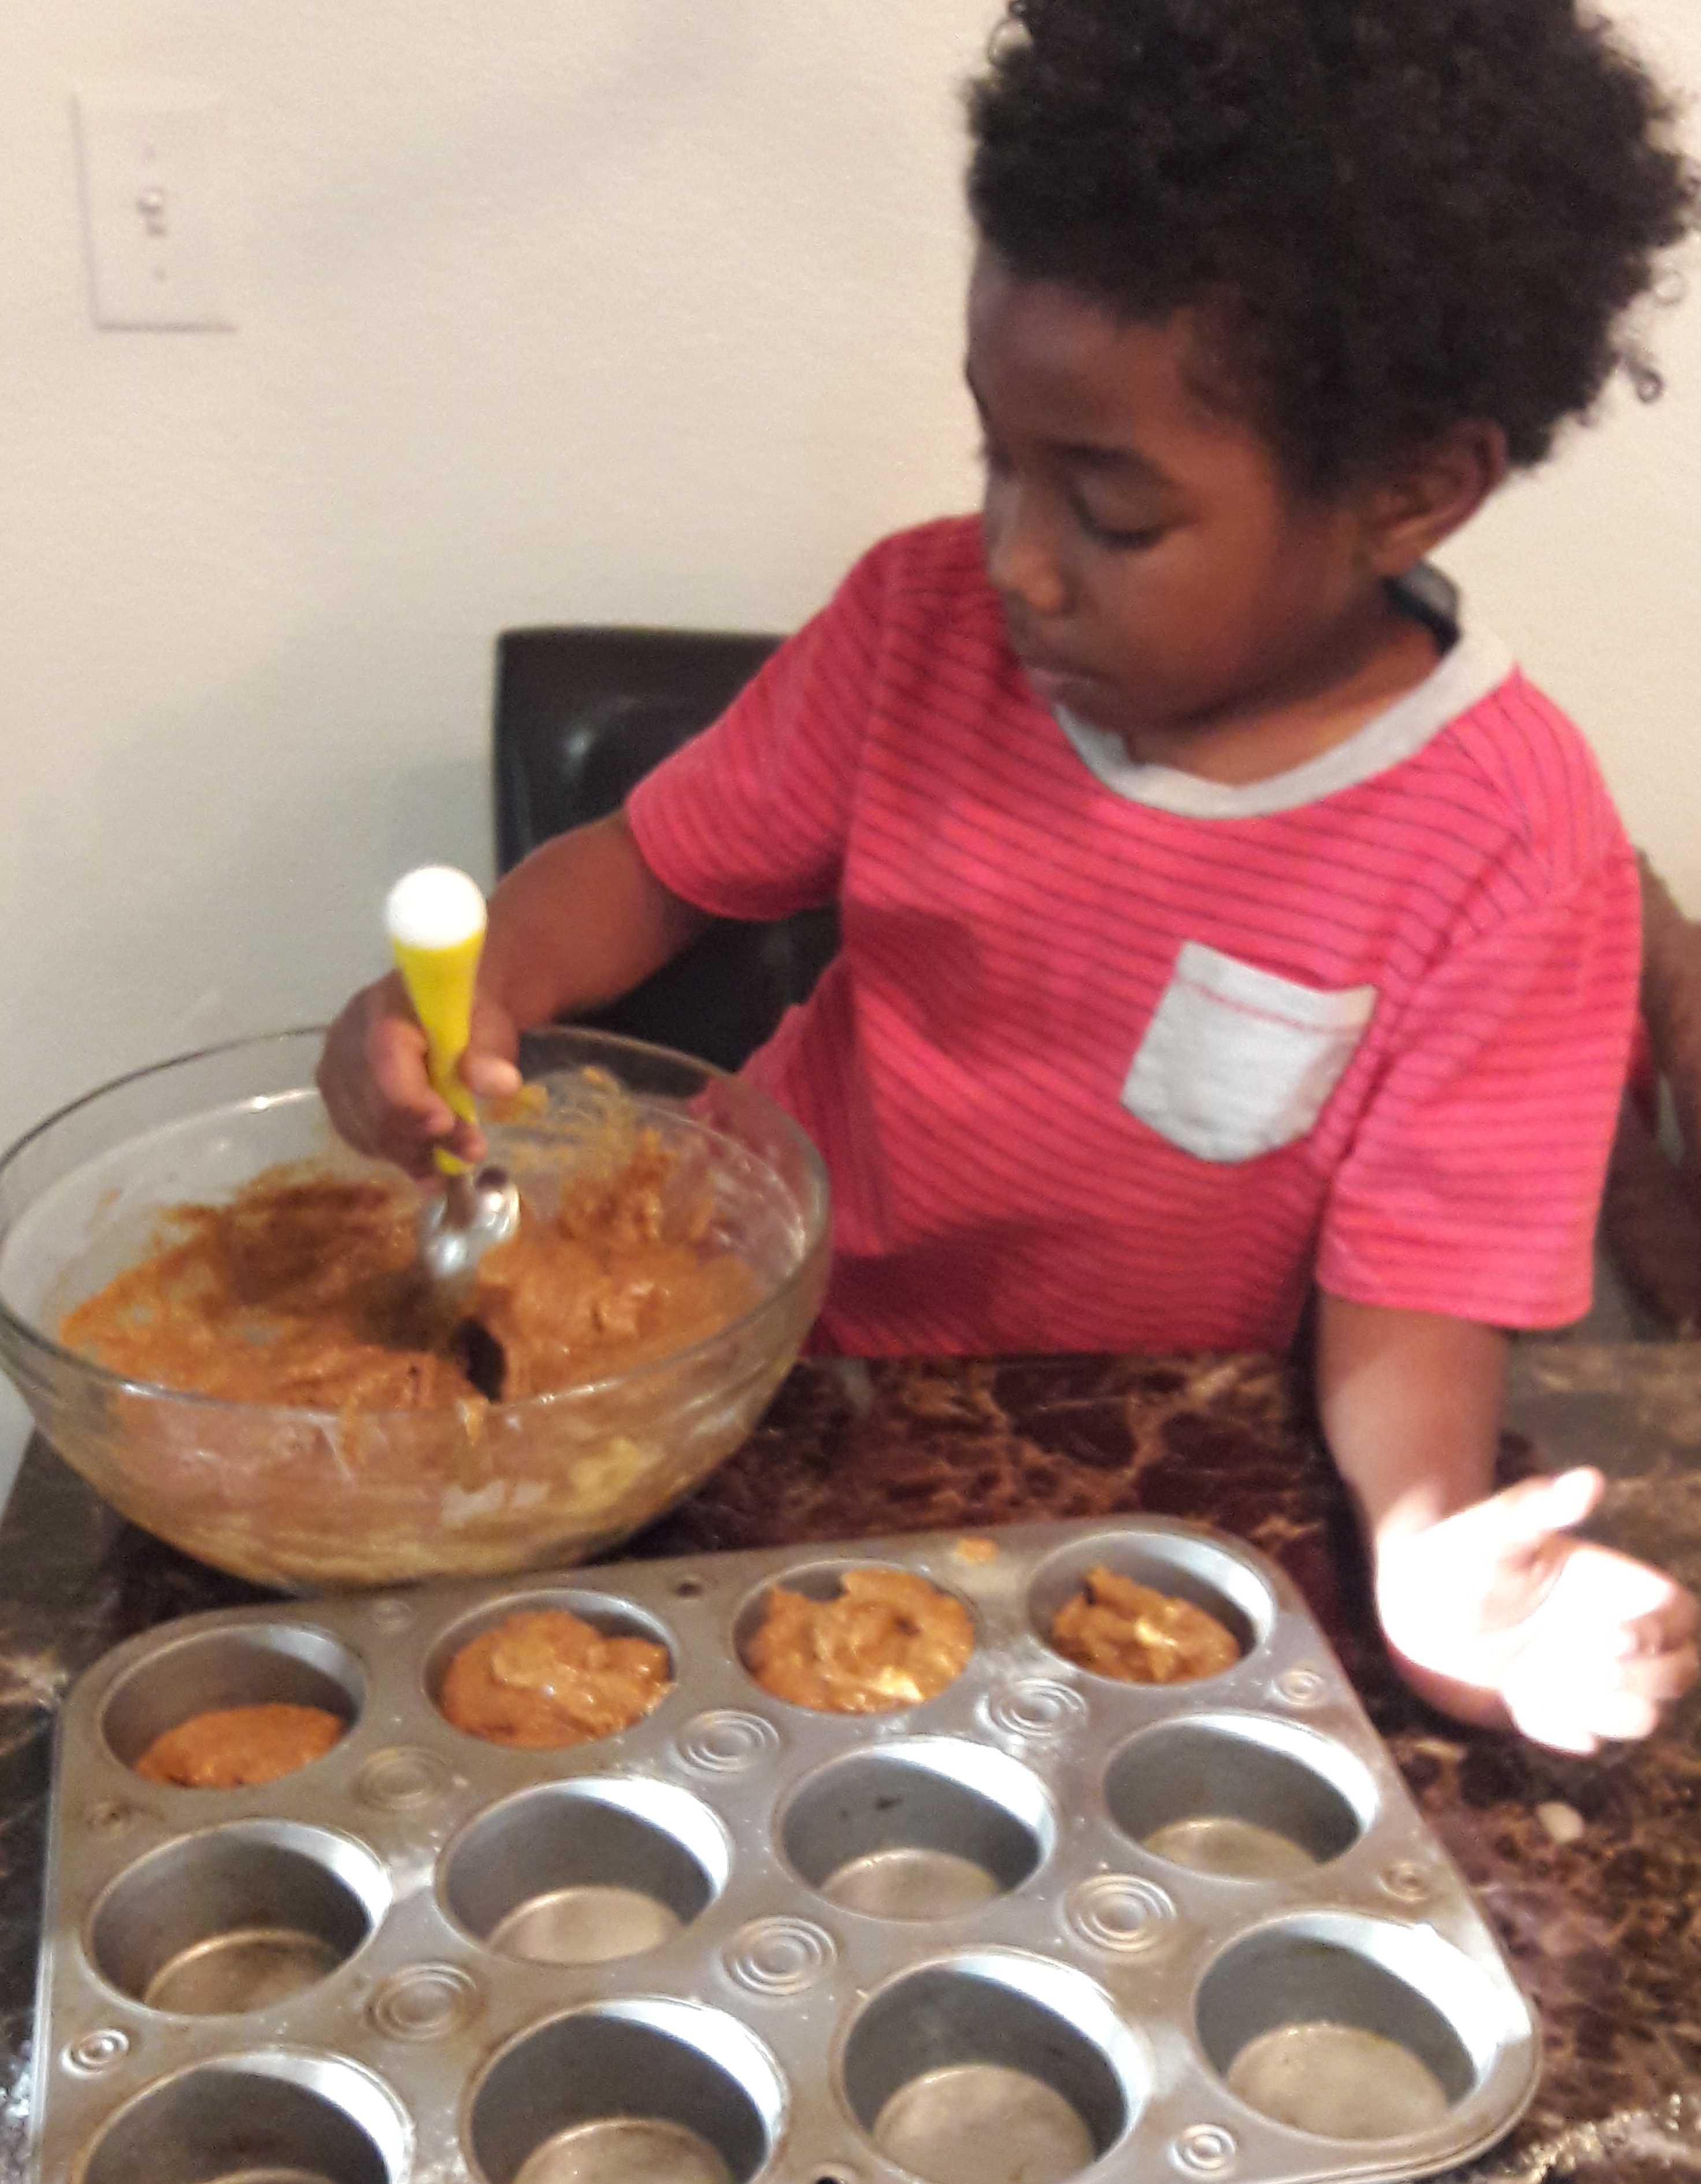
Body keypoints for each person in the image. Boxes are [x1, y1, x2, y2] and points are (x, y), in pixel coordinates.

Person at [321, 0, 1700, 1756]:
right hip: (751, 1353)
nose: (1018, 564)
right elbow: (650, 870)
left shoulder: (1509, 852)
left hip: (1124, 1458)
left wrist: (1437, 1573)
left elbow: (1412, 1309)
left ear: (1413, 493)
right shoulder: (916, 626)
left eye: (1113, 515)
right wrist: (475, 993)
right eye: (998, 460)